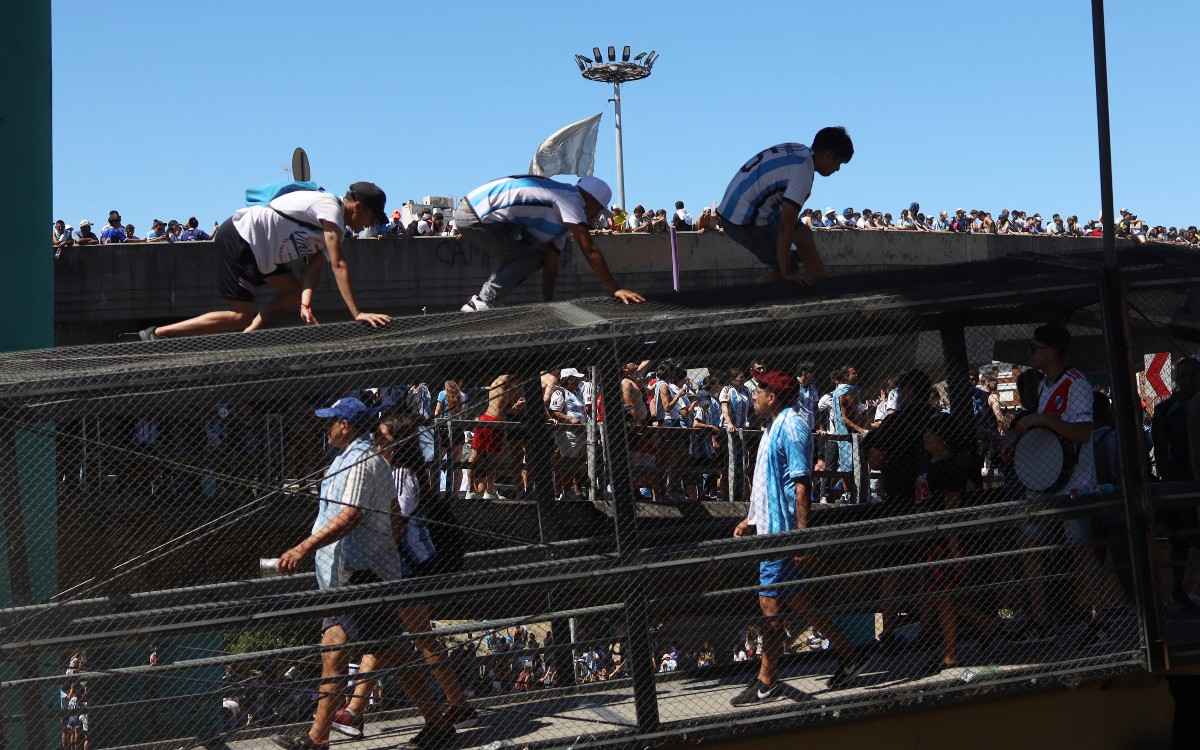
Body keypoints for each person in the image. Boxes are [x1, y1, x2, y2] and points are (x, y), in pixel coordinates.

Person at [271, 397, 456, 750]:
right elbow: (385, 509)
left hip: (361, 574)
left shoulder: (361, 461)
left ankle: (317, 740)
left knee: (341, 652)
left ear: (346, 426)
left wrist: (302, 548)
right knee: (380, 652)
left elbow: (351, 515)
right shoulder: (349, 460)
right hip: (354, 574)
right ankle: (438, 726)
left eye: (331, 422)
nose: (325, 427)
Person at [327, 412, 479, 738]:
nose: (376, 443)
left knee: (396, 639)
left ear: (398, 443)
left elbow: (396, 524)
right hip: (399, 569)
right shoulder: (396, 472)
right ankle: (358, 710)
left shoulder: (399, 475)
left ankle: (356, 711)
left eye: (383, 437)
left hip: (402, 571)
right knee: (390, 638)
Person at [729, 369, 867, 707]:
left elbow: (801, 486)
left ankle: (766, 680)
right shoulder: (773, 427)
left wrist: (802, 539)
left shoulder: (791, 427)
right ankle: (851, 655)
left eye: (758, 391)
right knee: (799, 601)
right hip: (771, 529)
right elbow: (770, 483)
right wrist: (752, 518)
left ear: (772, 397)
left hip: (783, 536)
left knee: (769, 605)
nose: (754, 397)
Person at [141, 183, 392, 340]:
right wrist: (357, 312)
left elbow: (314, 268)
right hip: (242, 237)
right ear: (357, 207)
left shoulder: (338, 229)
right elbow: (339, 265)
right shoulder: (330, 207)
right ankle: (157, 334)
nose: (372, 224)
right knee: (240, 316)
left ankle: (248, 337)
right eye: (372, 217)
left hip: (264, 253)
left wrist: (305, 304)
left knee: (293, 291)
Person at [1009, 323, 1109, 646]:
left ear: (1050, 352)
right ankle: (1041, 621)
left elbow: (1082, 432)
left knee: (1081, 550)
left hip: (1074, 483)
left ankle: (1099, 621)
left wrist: (1041, 419)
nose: (1029, 353)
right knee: (1028, 545)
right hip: (1044, 480)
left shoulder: (1076, 383)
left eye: (1034, 348)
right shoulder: (1044, 386)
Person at [455, 175, 644, 311]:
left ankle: (484, 300)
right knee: (532, 254)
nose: (596, 216)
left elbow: (550, 265)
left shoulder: (561, 214)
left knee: (537, 253)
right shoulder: (571, 199)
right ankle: (484, 301)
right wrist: (615, 289)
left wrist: (549, 304)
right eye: (597, 210)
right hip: (476, 215)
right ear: (590, 199)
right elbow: (590, 251)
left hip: (481, 212)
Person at [915, 413, 1001, 673]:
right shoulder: (927, 462)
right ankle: (986, 624)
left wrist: (954, 548)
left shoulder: (949, 467)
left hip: (945, 540)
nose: (925, 436)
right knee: (941, 597)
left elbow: (952, 509)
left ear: (942, 438)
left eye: (930, 432)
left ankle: (951, 652)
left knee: (942, 597)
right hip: (930, 538)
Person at [716, 127, 854, 284]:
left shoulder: (800, 151)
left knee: (803, 234)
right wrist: (786, 272)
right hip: (742, 219)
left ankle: (828, 291)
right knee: (789, 270)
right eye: (838, 163)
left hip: (741, 207)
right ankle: (743, 304)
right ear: (828, 156)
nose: (837, 169)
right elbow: (785, 225)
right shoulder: (803, 172)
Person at [1151, 356, 1200, 610]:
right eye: (1185, 375)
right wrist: (1168, 482)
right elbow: (1160, 449)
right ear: (1177, 380)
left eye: (1194, 375)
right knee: (1179, 540)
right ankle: (1179, 591)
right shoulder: (1164, 410)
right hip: (1179, 483)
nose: (1190, 380)